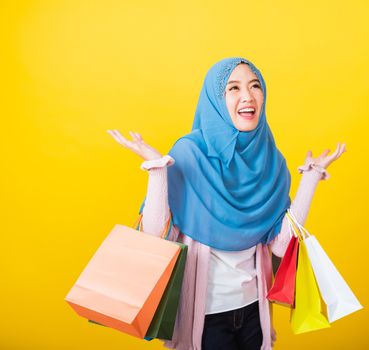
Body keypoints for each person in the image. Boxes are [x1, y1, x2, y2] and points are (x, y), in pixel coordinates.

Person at [107, 57, 346, 350]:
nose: (248, 96)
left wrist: (310, 179)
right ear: (216, 100)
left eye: (255, 85)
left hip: (253, 312)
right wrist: (157, 169)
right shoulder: (189, 153)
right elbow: (155, 237)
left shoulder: (272, 162)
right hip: (204, 317)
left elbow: (281, 247)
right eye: (233, 88)